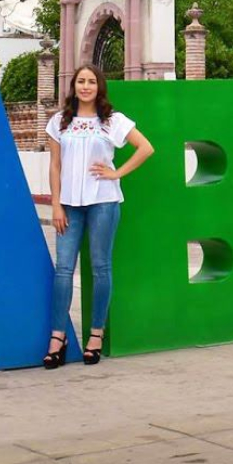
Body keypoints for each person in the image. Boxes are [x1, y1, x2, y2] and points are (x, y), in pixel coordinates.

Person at [43, 63, 154, 368]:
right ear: (73, 86)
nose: (86, 86)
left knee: (101, 267)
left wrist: (117, 172)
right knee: (63, 269)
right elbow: (55, 165)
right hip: (68, 206)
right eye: (81, 81)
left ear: (99, 86)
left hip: (103, 202)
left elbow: (145, 148)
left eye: (92, 81)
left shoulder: (112, 121)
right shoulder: (59, 122)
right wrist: (55, 204)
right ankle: (58, 336)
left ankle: (95, 334)